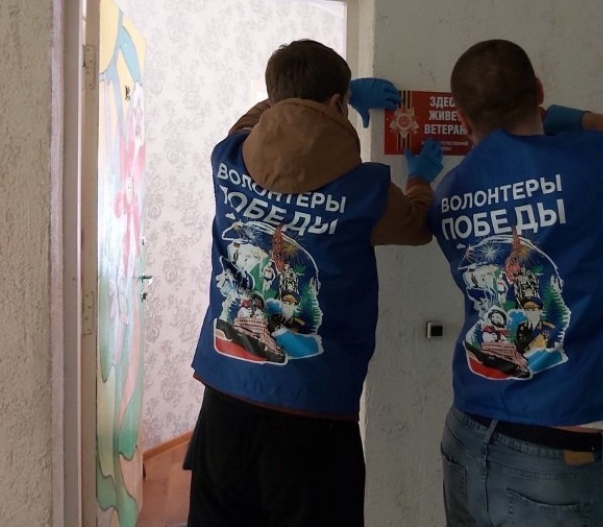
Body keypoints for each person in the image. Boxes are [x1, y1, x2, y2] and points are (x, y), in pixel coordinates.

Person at [428, 39, 603, 526]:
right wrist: (581, 119)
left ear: (462, 118)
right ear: (538, 92)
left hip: (468, 432)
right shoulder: (600, 158)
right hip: (561, 451)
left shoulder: (449, 193)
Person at [187, 39, 444, 527]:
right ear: (337, 104)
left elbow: (261, 114)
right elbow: (418, 226)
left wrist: (326, 98)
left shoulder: (229, 157)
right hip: (312, 416)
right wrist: (420, 180)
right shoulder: (366, 189)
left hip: (226, 402)